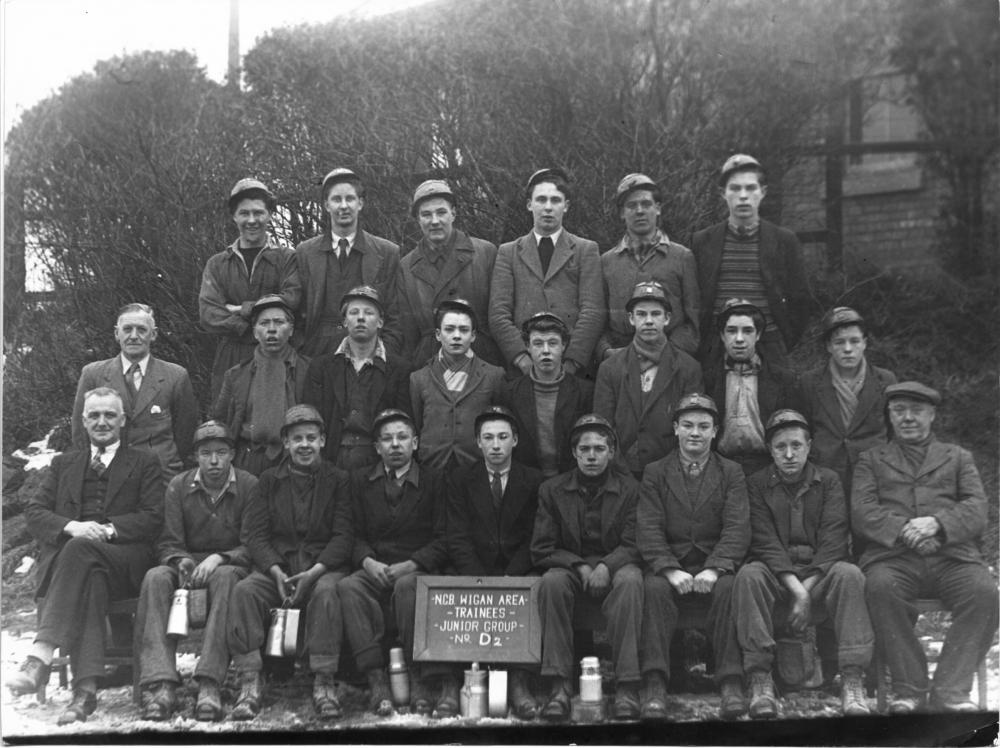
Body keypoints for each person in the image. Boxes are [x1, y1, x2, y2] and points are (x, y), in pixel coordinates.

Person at [9, 387, 164, 725]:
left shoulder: (144, 462)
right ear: (83, 421)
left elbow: (153, 516)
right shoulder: (64, 463)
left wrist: (106, 530)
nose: (102, 422)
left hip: (127, 561)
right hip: (83, 566)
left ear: (123, 420)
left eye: (110, 415)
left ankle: (41, 653)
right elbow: (35, 511)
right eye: (94, 415)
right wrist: (71, 527)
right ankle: (85, 693)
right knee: (90, 577)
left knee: (80, 550)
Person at [853, 382, 998, 714]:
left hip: (952, 558)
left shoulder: (958, 457)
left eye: (916, 411)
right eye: (899, 411)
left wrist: (937, 524)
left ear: (932, 415)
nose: (907, 418)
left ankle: (951, 690)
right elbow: (862, 512)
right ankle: (909, 689)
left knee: (984, 592)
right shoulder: (871, 459)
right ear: (889, 416)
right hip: (894, 559)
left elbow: (977, 509)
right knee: (879, 588)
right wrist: (906, 529)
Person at [732, 410, 873, 719]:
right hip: (776, 573)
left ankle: (852, 679)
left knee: (850, 574)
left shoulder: (830, 481)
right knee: (748, 575)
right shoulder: (756, 484)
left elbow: (834, 540)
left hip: (819, 573)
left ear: (809, 445)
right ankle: (760, 679)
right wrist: (798, 592)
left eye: (796, 445)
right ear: (770, 450)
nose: (789, 454)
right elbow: (763, 540)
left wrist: (805, 590)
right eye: (780, 447)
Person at [227, 405, 352, 721]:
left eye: (311, 437)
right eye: (297, 439)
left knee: (326, 593)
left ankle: (324, 680)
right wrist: (275, 571)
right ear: (286, 443)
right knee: (245, 590)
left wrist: (315, 571)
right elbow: (255, 534)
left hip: (321, 568)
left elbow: (344, 535)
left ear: (323, 440)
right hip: (279, 569)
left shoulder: (339, 480)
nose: (305, 445)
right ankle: (250, 680)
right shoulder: (269, 481)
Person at [637, 394, 750, 721]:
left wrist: (714, 570)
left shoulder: (732, 472)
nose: (695, 433)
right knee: (653, 588)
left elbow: (737, 527)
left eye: (703, 426)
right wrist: (670, 570)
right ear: (675, 428)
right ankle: (655, 682)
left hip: (713, 565)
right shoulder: (655, 472)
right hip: (671, 565)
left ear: (716, 431)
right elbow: (648, 528)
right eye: (687, 425)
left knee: (731, 587)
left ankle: (730, 681)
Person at [136, 421, 257, 722]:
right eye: (205, 453)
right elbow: (168, 541)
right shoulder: (179, 485)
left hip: (230, 565)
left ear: (232, 454)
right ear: (196, 456)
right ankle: (161, 683)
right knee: (155, 577)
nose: (213, 461)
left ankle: (209, 682)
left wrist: (220, 557)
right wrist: (180, 560)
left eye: (221, 453)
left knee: (226, 578)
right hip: (188, 565)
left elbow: (255, 543)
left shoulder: (249, 485)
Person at [531, 415, 644, 722]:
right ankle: (559, 685)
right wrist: (578, 565)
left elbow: (636, 542)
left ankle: (627, 686)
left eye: (599, 448)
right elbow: (542, 547)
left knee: (632, 581)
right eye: (585, 449)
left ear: (611, 452)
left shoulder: (631, 489)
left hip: (618, 563)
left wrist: (608, 566)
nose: (592, 455)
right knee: (551, 583)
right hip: (570, 566)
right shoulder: (552, 490)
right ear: (574, 453)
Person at [338, 409, 449, 717]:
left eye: (402, 438)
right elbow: (351, 532)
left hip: (415, 568)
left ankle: (417, 677)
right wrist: (367, 561)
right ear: (376, 447)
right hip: (375, 566)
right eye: (386, 439)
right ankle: (376, 679)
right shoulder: (360, 480)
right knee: (348, 587)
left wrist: (414, 564)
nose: (395, 445)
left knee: (408, 588)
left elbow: (445, 538)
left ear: (415, 443)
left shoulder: (435, 479)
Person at [446, 406, 545, 719]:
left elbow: (536, 535)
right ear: (478, 442)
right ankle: (453, 681)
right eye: (488, 438)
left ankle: (519, 680)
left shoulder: (534, 480)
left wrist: (509, 575)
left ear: (515, 440)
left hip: (518, 568)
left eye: (503, 437)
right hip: (473, 567)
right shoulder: (461, 478)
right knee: (449, 591)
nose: (496, 445)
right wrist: (478, 577)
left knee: (536, 588)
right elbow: (456, 535)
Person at [692, 154, 811, 366]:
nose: (743, 196)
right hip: (717, 349)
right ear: (723, 193)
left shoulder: (784, 240)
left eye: (750, 188)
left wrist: (782, 342)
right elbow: (695, 300)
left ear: (763, 192)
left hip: (770, 345)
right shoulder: (703, 241)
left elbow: (800, 301)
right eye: (735, 189)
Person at [490, 168, 605, 376]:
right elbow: (499, 314)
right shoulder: (508, 252)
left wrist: (571, 363)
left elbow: (592, 311)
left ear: (566, 206)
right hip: (523, 371)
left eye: (556, 200)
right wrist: (522, 360)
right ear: (529, 204)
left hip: (573, 371)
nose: (548, 208)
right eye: (541, 200)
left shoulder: (585, 250)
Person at [199, 178, 301, 400]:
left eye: (258, 213)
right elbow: (209, 313)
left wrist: (241, 309)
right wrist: (249, 328)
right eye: (244, 213)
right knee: (229, 419)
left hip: (277, 353)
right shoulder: (217, 264)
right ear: (234, 216)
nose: (252, 220)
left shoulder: (286, 258)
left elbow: (291, 300)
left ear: (270, 215)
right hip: (231, 355)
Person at [72, 303, 199, 480]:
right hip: (109, 475)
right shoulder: (93, 374)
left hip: (160, 476)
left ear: (153, 334)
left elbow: (185, 433)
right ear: (117, 333)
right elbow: (80, 432)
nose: (133, 336)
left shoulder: (175, 376)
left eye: (141, 330)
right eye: (127, 329)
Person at [594, 281, 703, 477]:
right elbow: (603, 428)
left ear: (667, 318)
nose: (649, 321)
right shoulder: (610, 368)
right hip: (623, 471)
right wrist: (620, 470)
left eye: (656, 314)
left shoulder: (688, 368)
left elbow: (692, 426)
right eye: (642, 314)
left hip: (671, 471)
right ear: (631, 319)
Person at [295, 167, 402, 357]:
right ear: (326, 205)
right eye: (336, 199)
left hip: (367, 353)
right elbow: (298, 311)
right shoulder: (305, 252)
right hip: (317, 355)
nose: (343, 206)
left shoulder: (387, 252)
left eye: (350, 199)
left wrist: (385, 356)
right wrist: (303, 351)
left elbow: (395, 315)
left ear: (360, 203)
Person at [302, 285, 412, 469]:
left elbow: (403, 424)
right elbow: (312, 419)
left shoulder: (399, 370)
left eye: (369, 313)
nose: (361, 318)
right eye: (353, 312)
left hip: (378, 463)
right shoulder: (321, 367)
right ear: (344, 321)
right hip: (331, 460)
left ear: (380, 322)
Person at [398, 179, 503, 367]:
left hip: (481, 361)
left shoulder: (485, 253)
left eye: (441, 212)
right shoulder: (406, 267)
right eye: (426, 214)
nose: (435, 221)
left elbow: (498, 316)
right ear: (418, 219)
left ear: (453, 214)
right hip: (430, 365)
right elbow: (408, 333)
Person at [798, 306, 897, 503]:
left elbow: (894, 430)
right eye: (839, 342)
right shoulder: (809, 382)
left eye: (854, 341)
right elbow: (804, 429)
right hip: (826, 472)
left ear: (865, 343)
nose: (848, 349)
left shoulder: (885, 380)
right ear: (828, 346)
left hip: (874, 472)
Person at [598, 172, 700, 360]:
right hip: (620, 361)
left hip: (670, 360)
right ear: (622, 213)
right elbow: (598, 320)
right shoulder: (607, 262)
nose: (639, 211)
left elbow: (693, 324)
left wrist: (664, 354)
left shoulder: (682, 257)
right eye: (631, 205)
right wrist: (607, 352)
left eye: (646, 204)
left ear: (658, 208)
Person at [213, 295, 311, 475]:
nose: (272, 330)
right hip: (248, 461)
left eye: (279, 322)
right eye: (264, 323)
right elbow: (222, 423)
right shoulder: (236, 376)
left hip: (295, 460)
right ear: (255, 331)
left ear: (291, 330)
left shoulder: (309, 371)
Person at [703, 298, 799, 476]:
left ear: (759, 334)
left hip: (768, 467)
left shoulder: (782, 379)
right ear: (722, 335)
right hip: (720, 467)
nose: (739, 339)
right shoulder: (707, 378)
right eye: (732, 331)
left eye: (747, 331)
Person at [410, 298, 504, 471]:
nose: (456, 336)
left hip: (476, 467)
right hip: (433, 466)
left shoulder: (493, 375)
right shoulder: (419, 378)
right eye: (449, 329)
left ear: (473, 335)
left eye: (464, 330)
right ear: (438, 334)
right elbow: (417, 422)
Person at [497, 312, 593, 478]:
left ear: (564, 346)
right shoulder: (510, 392)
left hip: (571, 480)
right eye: (538, 344)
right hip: (527, 482)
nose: (546, 351)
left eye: (553, 343)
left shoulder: (584, 392)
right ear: (527, 347)